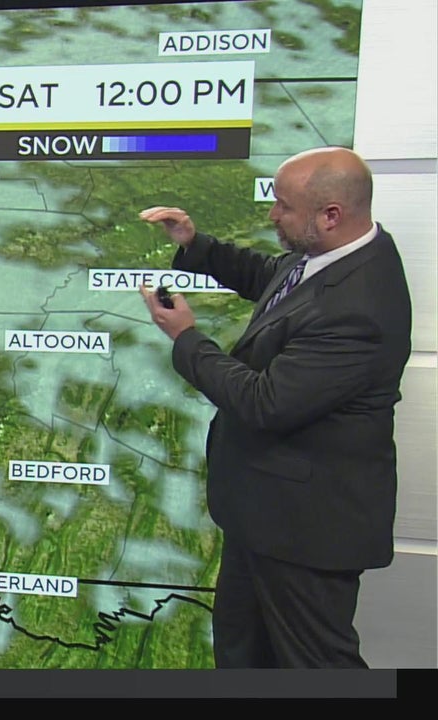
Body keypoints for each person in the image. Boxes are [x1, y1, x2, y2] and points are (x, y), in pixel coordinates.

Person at [137, 146, 412, 668]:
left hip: (307, 533)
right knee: (244, 654)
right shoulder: (335, 256)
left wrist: (187, 338)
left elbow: (264, 402)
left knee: (315, 667)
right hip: (265, 515)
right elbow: (273, 279)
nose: (272, 214)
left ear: (330, 215)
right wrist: (195, 244)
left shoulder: (359, 307)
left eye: (284, 206)